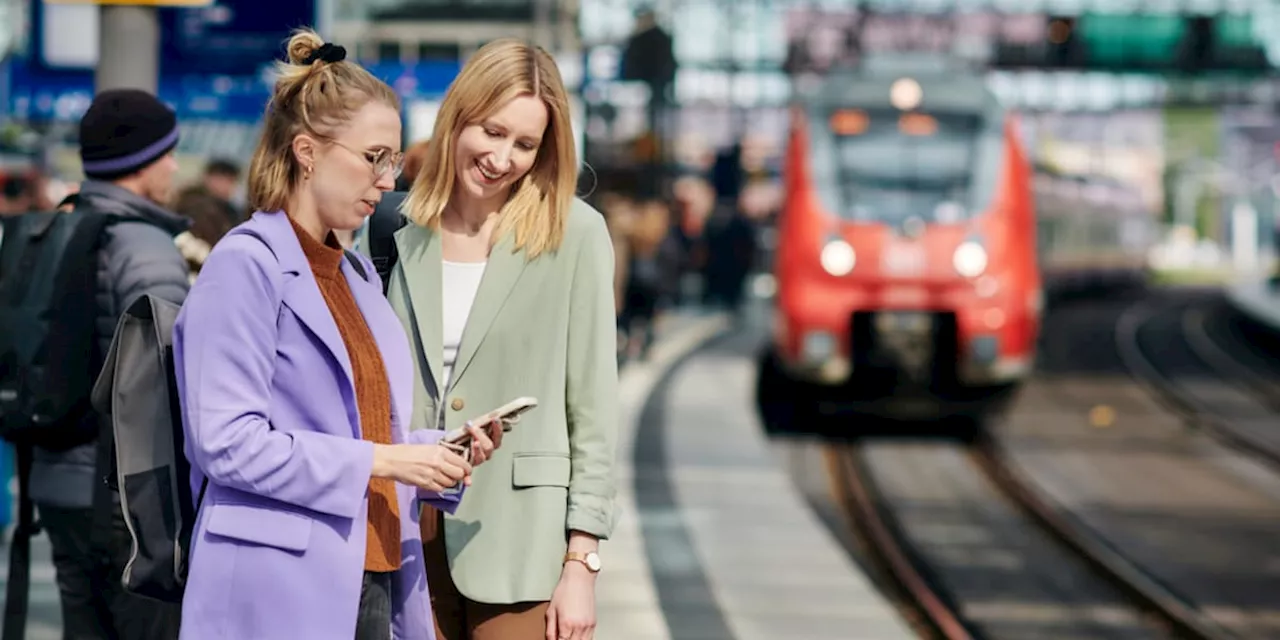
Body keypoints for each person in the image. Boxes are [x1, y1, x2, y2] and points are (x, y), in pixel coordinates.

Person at [171, 30, 501, 640]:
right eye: (373, 156)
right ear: (307, 151)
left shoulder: (351, 272)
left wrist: (435, 451)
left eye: (393, 159)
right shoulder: (246, 264)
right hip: (276, 585)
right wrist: (388, 459)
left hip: (369, 569)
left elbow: (363, 428)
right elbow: (225, 441)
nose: (386, 178)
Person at [388, 38, 619, 640]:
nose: (502, 157)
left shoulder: (576, 235)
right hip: (403, 529)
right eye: (491, 132)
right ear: (456, 118)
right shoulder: (396, 229)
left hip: (521, 543)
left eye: (525, 144)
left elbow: (593, 409)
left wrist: (582, 564)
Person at [31, 88, 191, 640]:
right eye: (167, 152)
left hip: (55, 481)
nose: (173, 164)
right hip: (124, 501)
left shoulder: (56, 227)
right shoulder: (147, 247)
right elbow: (166, 386)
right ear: (142, 161)